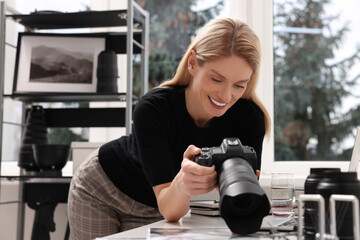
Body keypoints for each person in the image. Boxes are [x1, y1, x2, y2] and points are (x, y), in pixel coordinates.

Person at [68, 17, 271, 240]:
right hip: (101, 188)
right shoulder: (153, 108)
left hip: (158, 205)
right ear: (193, 63)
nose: (225, 95)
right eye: (216, 79)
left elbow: (233, 206)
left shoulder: (249, 119)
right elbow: (168, 202)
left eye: (239, 85)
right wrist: (183, 181)